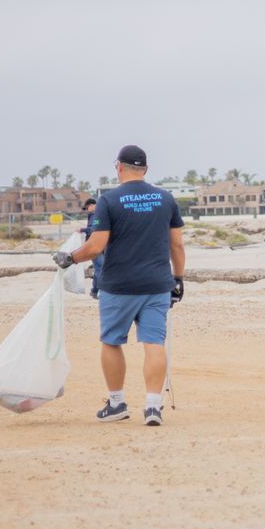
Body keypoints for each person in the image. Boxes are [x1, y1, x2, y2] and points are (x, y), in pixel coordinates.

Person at [54, 145, 186, 426]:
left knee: (112, 341)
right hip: (157, 284)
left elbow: (96, 246)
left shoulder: (109, 200)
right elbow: (177, 244)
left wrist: (70, 258)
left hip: (119, 285)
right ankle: (153, 406)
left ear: (119, 167)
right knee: (153, 343)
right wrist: (179, 278)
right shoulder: (166, 198)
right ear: (146, 170)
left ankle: (117, 403)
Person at [80, 197, 104, 299]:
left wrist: (82, 229)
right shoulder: (95, 215)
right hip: (95, 246)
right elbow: (94, 229)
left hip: (96, 245)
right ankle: (98, 291)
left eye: (87, 208)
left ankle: (95, 290)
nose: (87, 210)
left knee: (99, 268)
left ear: (91, 205)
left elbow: (94, 229)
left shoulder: (95, 215)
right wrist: (83, 229)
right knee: (100, 268)